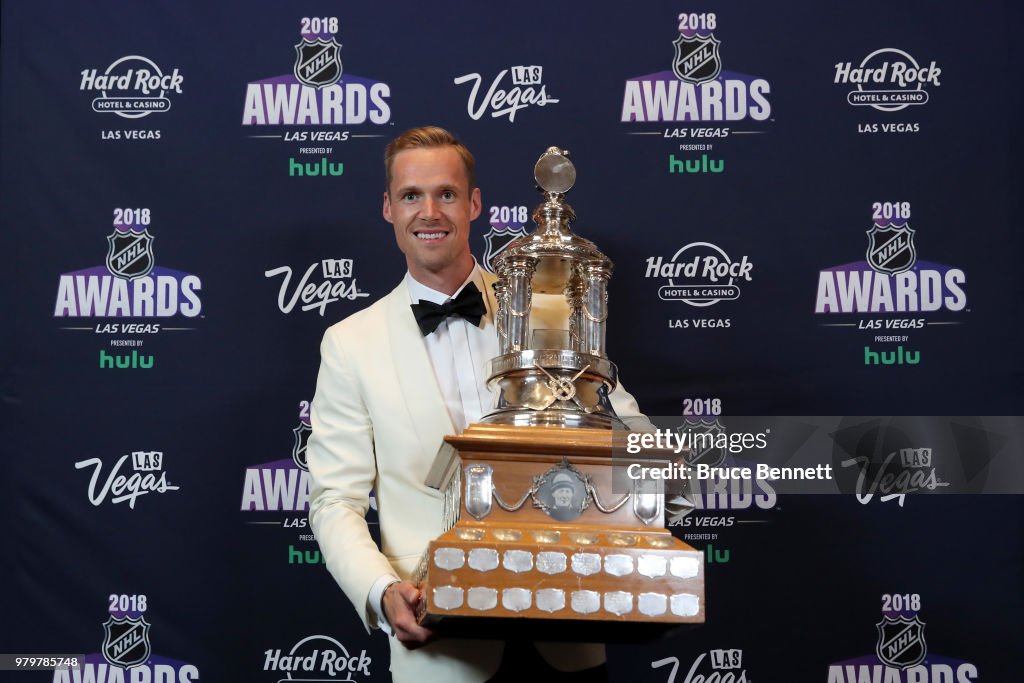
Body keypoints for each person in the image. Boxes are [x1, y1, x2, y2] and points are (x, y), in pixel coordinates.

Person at [307, 126, 648, 683]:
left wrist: (649, 470)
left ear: (474, 204)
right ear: (388, 209)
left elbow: (626, 427)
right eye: (411, 196)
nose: (429, 212)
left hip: (565, 635)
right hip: (442, 652)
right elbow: (334, 500)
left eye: (446, 193)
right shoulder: (350, 343)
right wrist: (382, 589)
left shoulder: (549, 308)